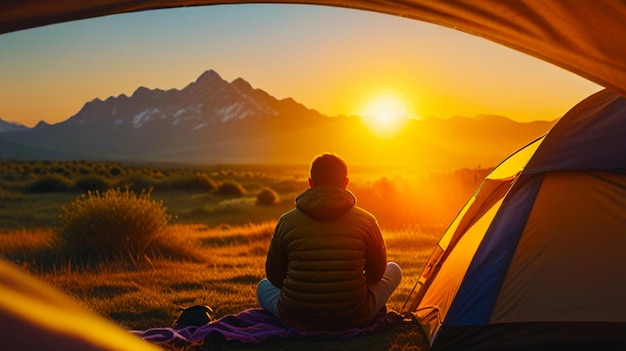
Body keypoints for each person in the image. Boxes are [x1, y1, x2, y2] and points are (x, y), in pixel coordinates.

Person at [256, 153, 402, 332]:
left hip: (296, 317)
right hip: (354, 316)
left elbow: (274, 277)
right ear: (346, 183)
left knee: (263, 286)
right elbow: (377, 273)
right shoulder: (366, 220)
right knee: (394, 269)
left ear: (310, 182)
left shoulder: (286, 221)